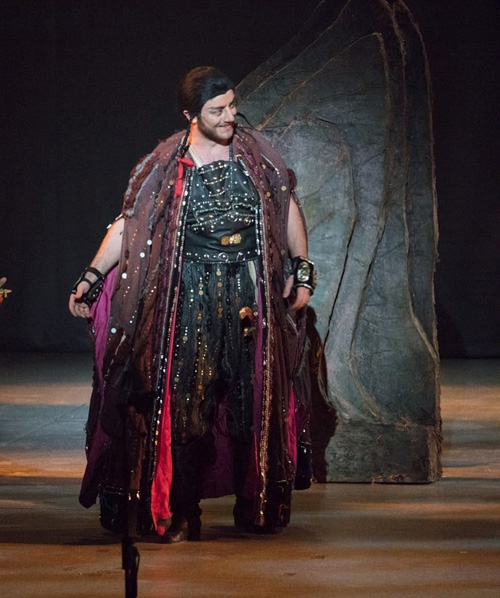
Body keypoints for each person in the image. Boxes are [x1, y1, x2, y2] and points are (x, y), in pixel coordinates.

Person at [69, 66, 315, 543]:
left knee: (252, 398)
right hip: (189, 297)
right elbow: (130, 223)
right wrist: (93, 275)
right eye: (217, 110)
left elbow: (286, 206)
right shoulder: (166, 164)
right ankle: (183, 511)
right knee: (186, 404)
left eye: (232, 105)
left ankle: (256, 502)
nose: (230, 116)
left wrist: (302, 267)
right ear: (190, 115)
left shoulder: (256, 156)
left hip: (250, 293)